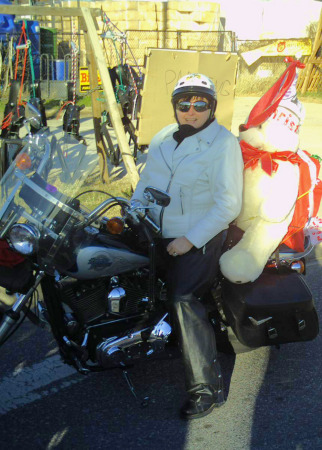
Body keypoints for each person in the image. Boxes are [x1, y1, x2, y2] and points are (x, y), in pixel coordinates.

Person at [132, 73, 244, 419]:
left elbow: (228, 205)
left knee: (183, 298)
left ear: (212, 107)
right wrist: (131, 213)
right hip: (158, 231)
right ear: (175, 107)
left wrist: (189, 239)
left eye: (200, 105)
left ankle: (206, 390)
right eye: (184, 104)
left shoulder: (223, 144)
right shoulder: (164, 137)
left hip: (202, 235)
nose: (191, 112)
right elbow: (145, 185)